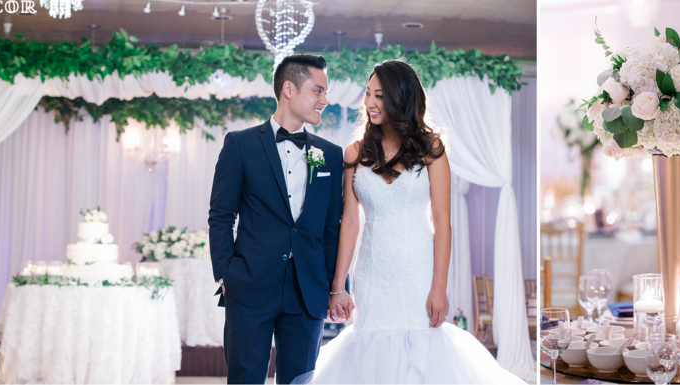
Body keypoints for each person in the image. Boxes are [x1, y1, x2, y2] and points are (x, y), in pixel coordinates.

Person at [294, 59, 525, 383]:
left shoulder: (431, 149)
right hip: (372, 274)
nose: (370, 103)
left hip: (418, 271)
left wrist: (439, 288)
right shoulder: (354, 153)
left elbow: (443, 223)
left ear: (401, 99)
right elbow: (350, 223)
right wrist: (338, 288)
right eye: (368, 94)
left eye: (380, 95)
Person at [208, 54, 354, 384]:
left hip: (307, 291)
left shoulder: (331, 154)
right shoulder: (240, 145)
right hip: (249, 286)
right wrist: (226, 274)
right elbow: (221, 216)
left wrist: (336, 287)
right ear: (289, 89)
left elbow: (332, 228)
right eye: (318, 91)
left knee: (300, 380)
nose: (324, 100)